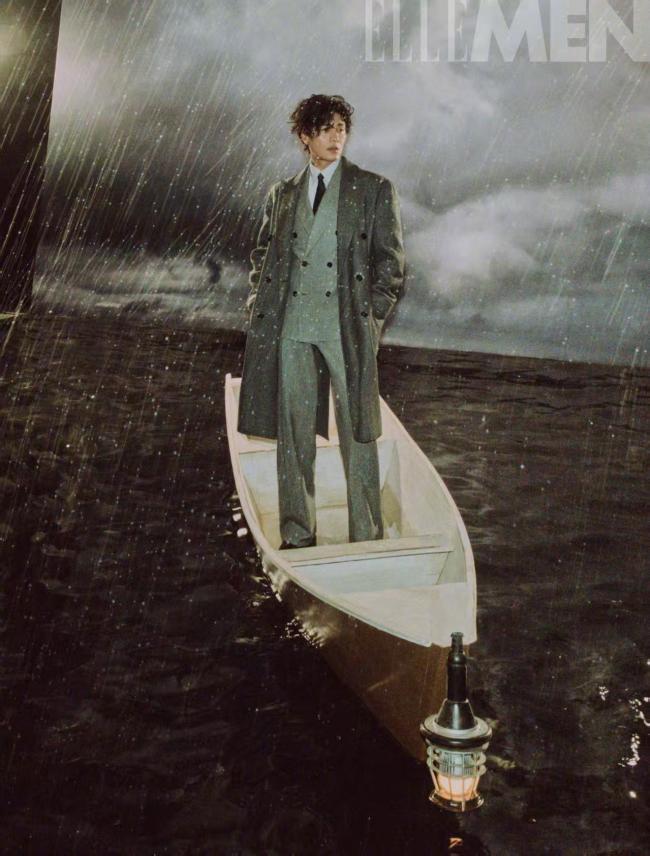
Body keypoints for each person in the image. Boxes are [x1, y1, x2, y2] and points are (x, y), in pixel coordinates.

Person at [237, 94, 405, 548]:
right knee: (293, 434)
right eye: (326, 129)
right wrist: (257, 300)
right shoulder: (283, 193)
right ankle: (297, 533)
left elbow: (390, 265)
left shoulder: (372, 189)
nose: (337, 137)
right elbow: (264, 254)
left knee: (358, 432)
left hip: (345, 326)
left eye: (342, 128)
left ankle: (366, 535)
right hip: (292, 325)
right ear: (305, 136)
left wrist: (371, 319)